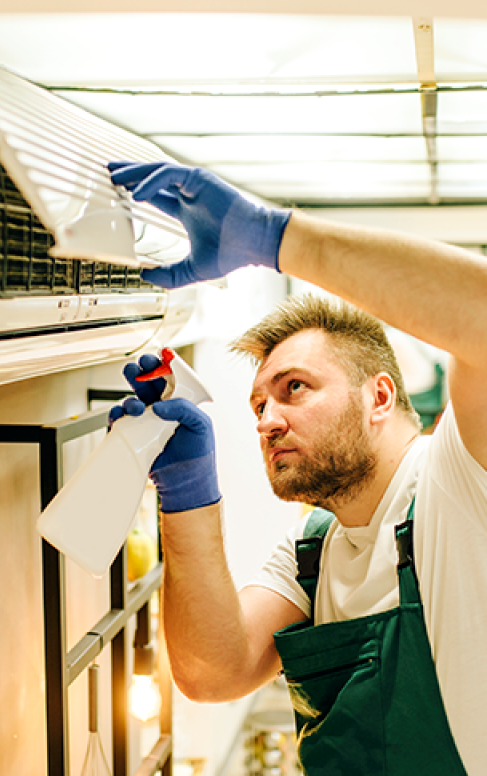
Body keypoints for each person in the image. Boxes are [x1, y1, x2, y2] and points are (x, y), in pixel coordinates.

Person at [107, 161, 487, 775]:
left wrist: (275, 239)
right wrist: (185, 493)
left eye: (295, 388)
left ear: (380, 398)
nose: (267, 420)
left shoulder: (457, 480)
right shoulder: (313, 549)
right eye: (259, 404)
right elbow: (214, 670)